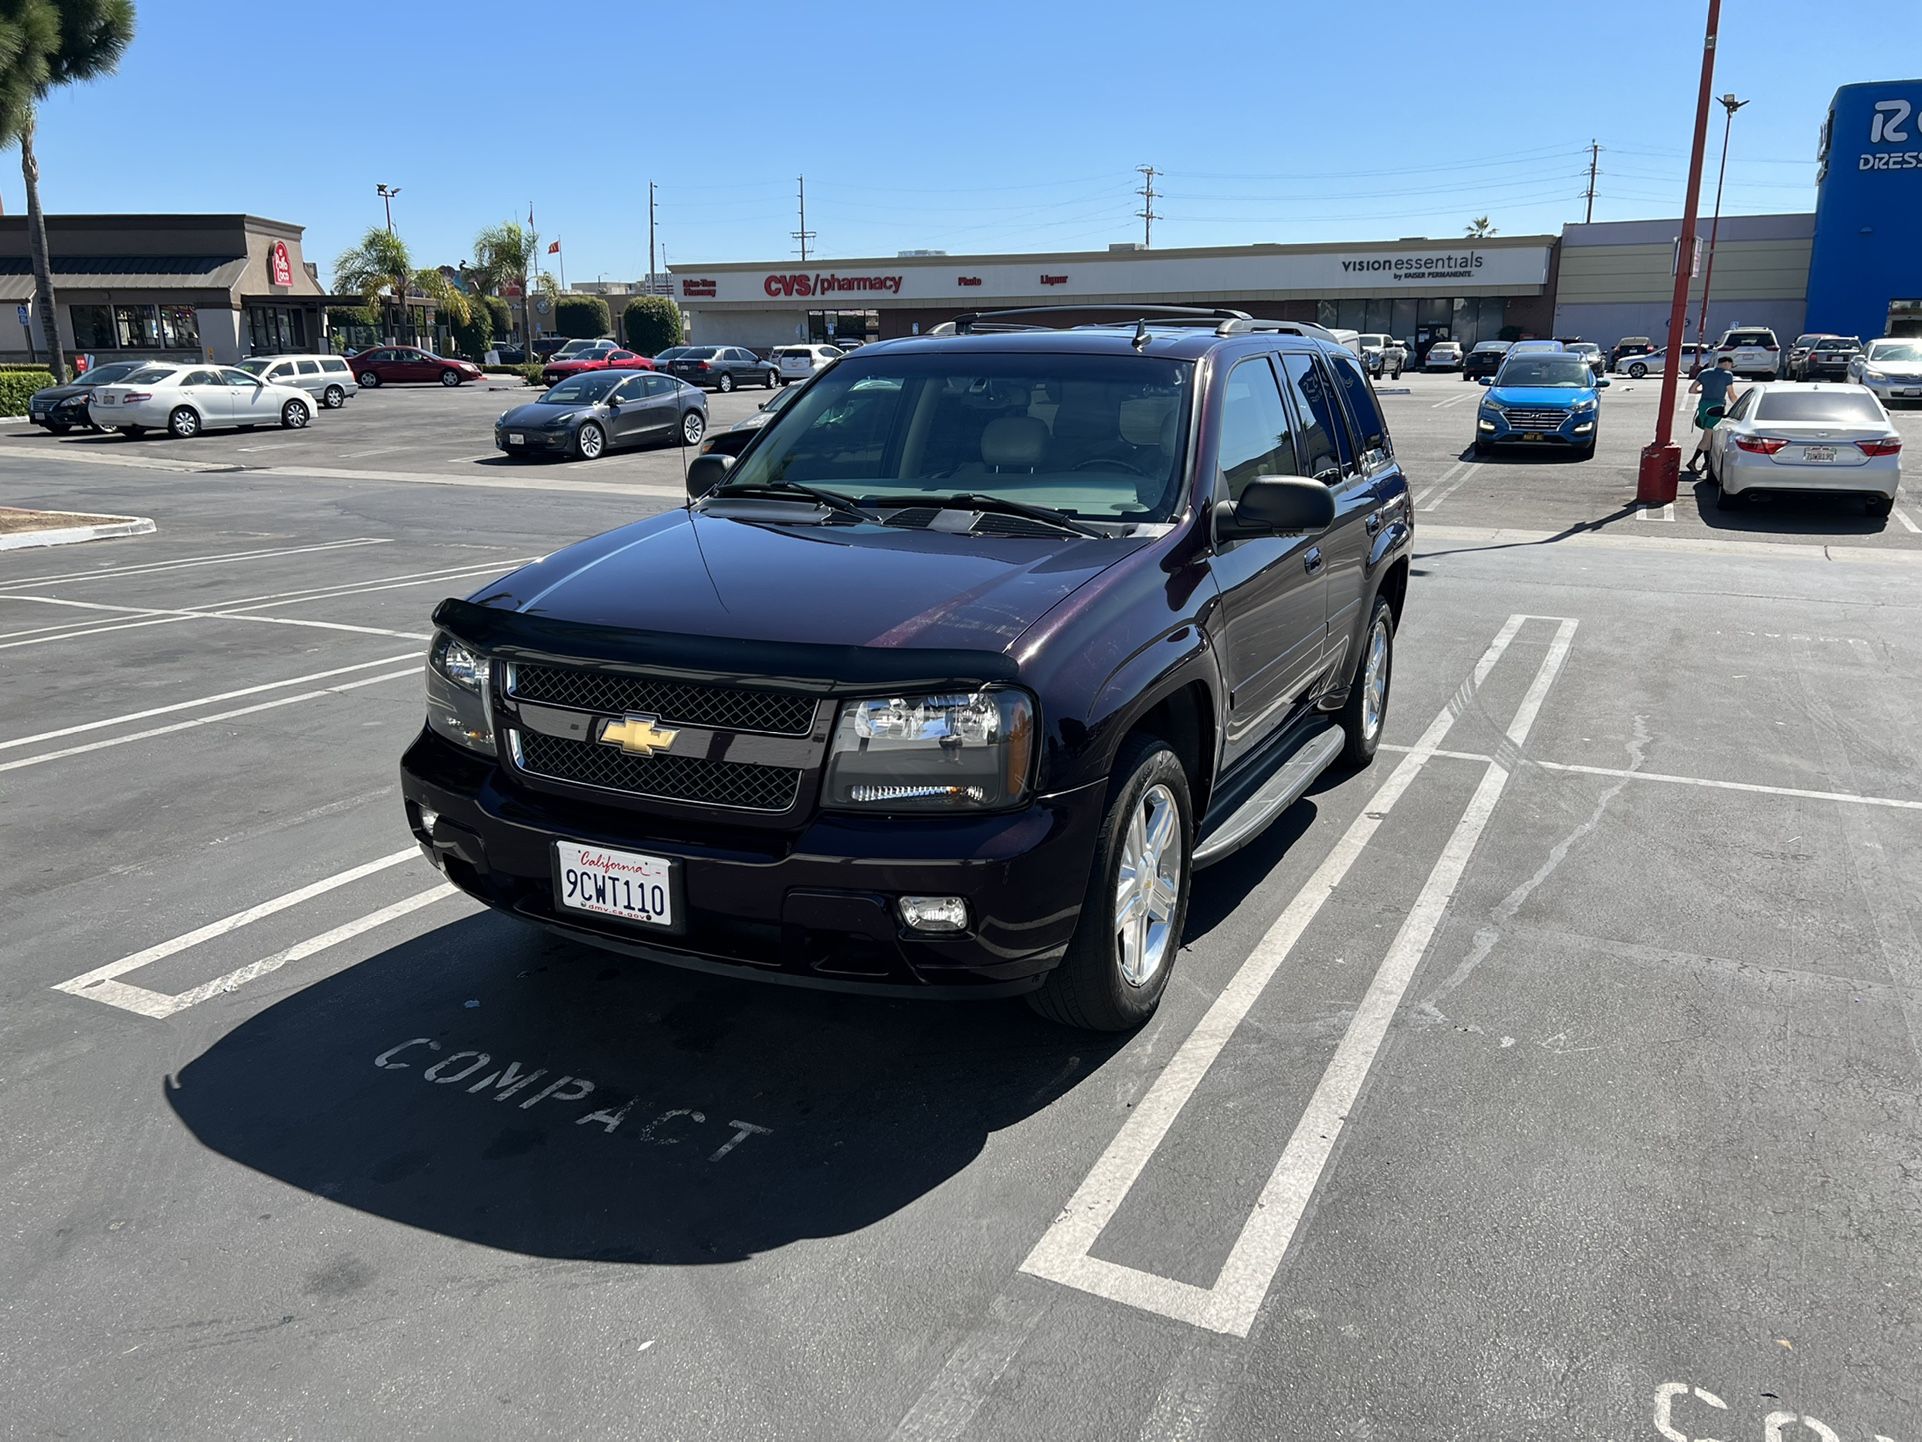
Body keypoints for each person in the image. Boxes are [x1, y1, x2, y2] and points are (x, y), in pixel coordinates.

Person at [1685, 355, 1738, 475]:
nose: (1730, 369)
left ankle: (1707, 463)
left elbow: (1692, 390)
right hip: (1716, 407)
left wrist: (1703, 391)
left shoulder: (1704, 372)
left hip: (1703, 406)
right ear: (1726, 364)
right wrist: (1739, 405)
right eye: (1730, 366)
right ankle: (1693, 461)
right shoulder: (1727, 375)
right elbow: (1731, 394)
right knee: (1707, 438)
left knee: (1709, 435)